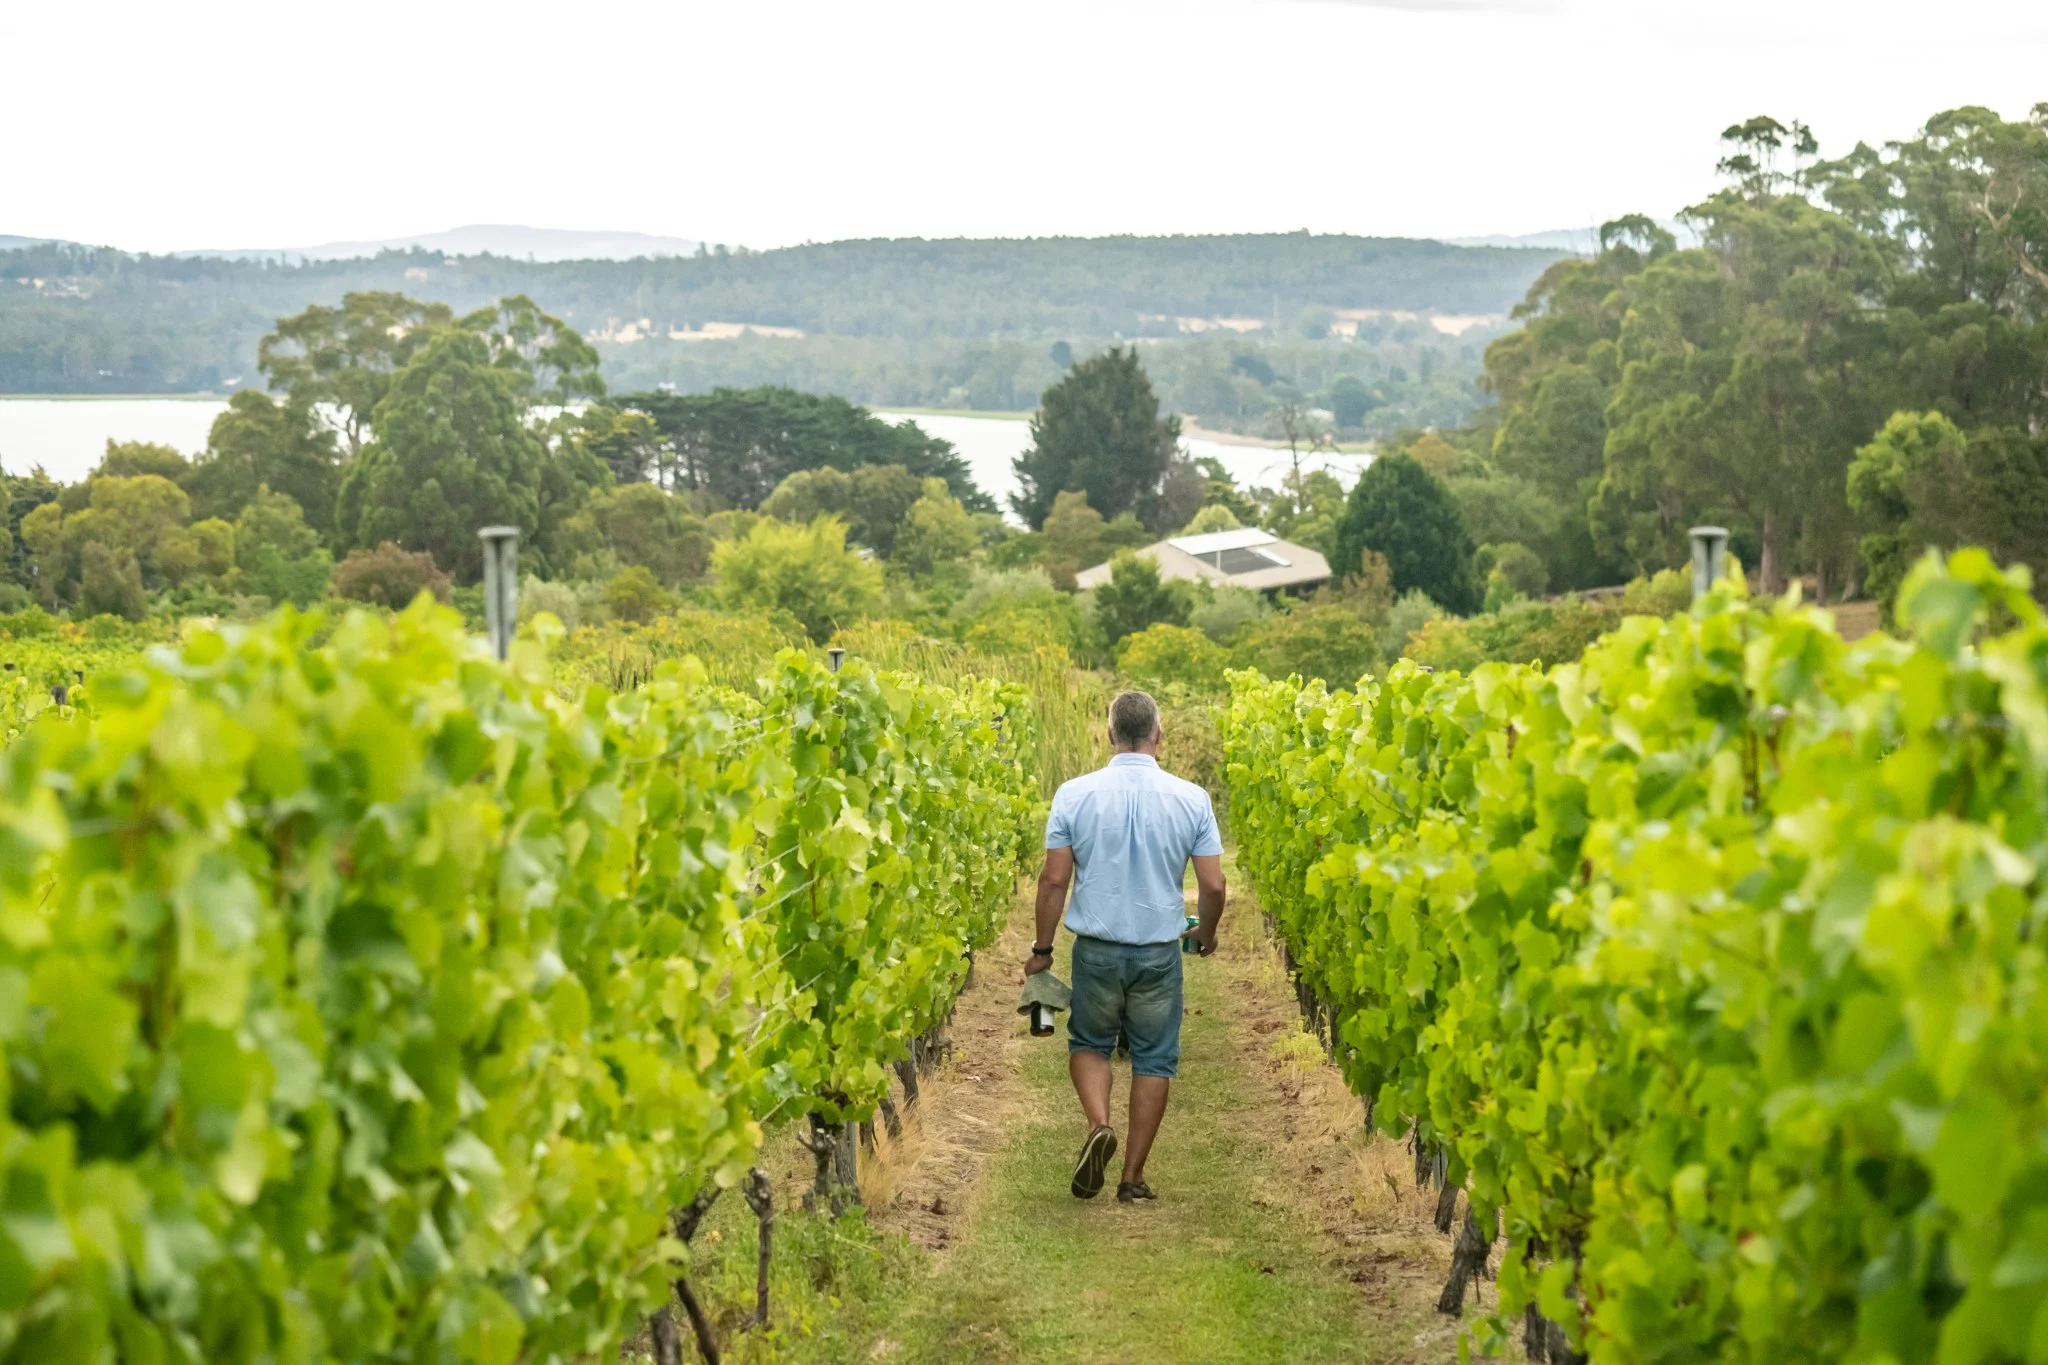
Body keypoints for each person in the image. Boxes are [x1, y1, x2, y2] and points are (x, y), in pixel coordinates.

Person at [1023, 690, 1226, 1202]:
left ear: (1109, 734)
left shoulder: (1074, 794)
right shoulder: (1192, 798)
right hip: (1159, 951)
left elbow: (1053, 881)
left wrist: (1042, 950)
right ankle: (1132, 1178)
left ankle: (1098, 1125)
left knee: (1089, 1043)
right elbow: (1215, 886)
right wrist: (1205, 932)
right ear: (1159, 735)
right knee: (1155, 1059)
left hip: (1097, 949)